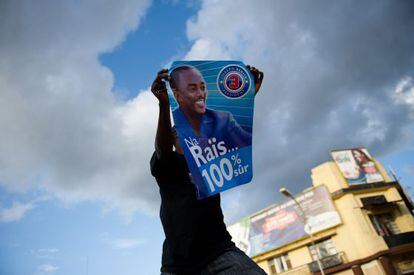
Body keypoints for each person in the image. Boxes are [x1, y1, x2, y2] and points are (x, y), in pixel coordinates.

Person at [150, 65, 265, 275]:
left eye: (202, 87)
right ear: (175, 141)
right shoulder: (168, 166)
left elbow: (235, 131)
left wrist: (249, 94)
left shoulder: (211, 154)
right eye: (180, 137)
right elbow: (162, 148)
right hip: (178, 267)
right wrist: (163, 106)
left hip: (219, 251)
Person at [169, 65, 257, 150]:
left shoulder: (223, 119)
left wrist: (251, 93)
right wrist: (163, 105)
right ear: (177, 95)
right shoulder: (177, 130)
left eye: (202, 87)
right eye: (193, 89)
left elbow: (246, 142)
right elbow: (167, 154)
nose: (201, 94)